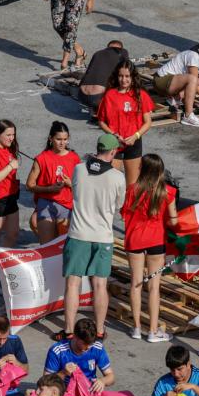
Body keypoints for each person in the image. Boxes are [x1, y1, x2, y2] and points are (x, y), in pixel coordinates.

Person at [63, 134, 127, 341]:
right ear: (113, 151)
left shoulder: (79, 169)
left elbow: (74, 193)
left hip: (78, 233)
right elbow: (119, 205)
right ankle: (99, 330)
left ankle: (69, 330)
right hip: (103, 236)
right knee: (100, 284)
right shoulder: (118, 177)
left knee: (73, 283)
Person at [123, 154, 179, 344]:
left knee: (135, 284)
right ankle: (153, 330)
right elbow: (174, 220)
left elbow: (124, 213)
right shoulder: (167, 191)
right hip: (156, 239)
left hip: (134, 239)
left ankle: (137, 327)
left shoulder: (132, 190)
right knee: (154, 287)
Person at [97, 62, 154, 188]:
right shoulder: (109, 95)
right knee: (111, 184)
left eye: (127, 76)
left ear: (133, 77)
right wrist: (113, 135)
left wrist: (135, 136)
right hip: (113, 143)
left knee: (132, 185)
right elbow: (101, 121)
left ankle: (128, 208)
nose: (124, 79)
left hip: (133, 142)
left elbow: (148, 122)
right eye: (121, 76)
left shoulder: (140, 95)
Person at [26, 122, 78, 242]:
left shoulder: (74, 158)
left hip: (67, 205)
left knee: (63, 246)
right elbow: (30, 185)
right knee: (47, 245)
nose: (62, 143)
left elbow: (82, 186)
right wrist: (49, 189)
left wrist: (70, 184)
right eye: (58, 139)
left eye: (65, 139)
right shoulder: (41, 158)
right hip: (46, 203)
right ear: (50, 139)